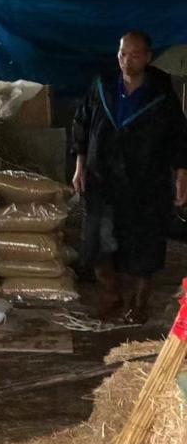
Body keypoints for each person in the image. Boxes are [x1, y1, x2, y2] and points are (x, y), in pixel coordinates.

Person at [72, 30, 187, 323]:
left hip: (145, 182)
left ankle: (139, 303)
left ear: (147, 57)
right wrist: (79, 165)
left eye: (135, 55)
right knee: (96, 241)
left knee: (144, 244)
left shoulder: (161, 93)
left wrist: (181, 175)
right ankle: (111, 296)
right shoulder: (102, 86)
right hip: (103, 178)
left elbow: (179, 136)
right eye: (123, 53)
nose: (127, 60)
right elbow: (83, 124)